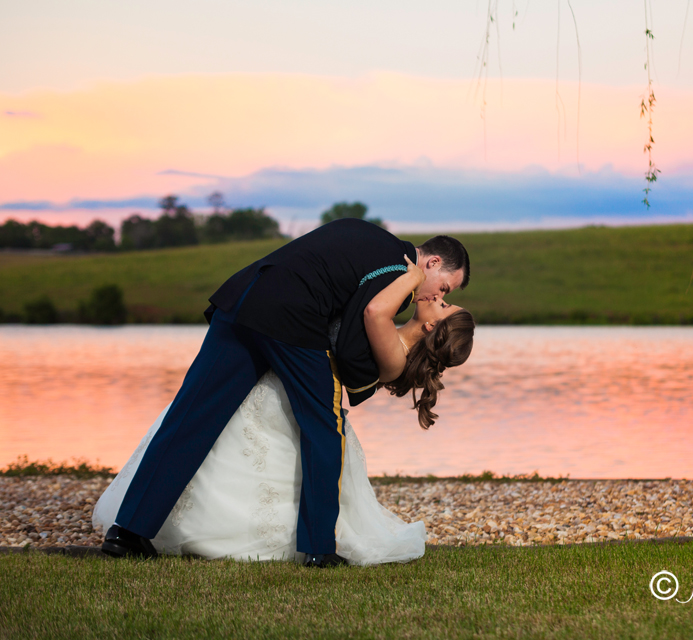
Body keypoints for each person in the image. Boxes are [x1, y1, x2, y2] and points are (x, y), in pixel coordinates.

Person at [97, 219, 472, 567]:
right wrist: (354, 381)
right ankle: (319, 549)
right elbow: (357, 337)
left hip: (244, 297)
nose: (437, 293)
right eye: (444, 287)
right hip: (291, 318)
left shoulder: (370, 236)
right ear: (433, 261)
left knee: (190, 416)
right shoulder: (398, 268)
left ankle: (127, 532)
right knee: (325, 428)